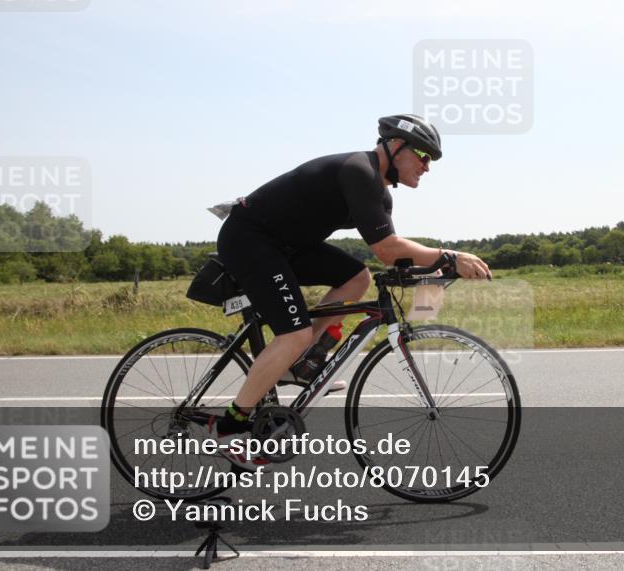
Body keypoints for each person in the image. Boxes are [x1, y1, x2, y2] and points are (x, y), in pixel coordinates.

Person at [208, 114, 492, 467]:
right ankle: (227, 428)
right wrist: (450, 256)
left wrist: (437, 274)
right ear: (397, 145)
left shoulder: (379, 193)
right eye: (423, 156)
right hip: (251, 239)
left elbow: (393, 258)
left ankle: (297, 362)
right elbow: (388, 248)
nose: (427, 167)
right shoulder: (360, 171)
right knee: (292, 333)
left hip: (286, 245)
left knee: (358, 278)